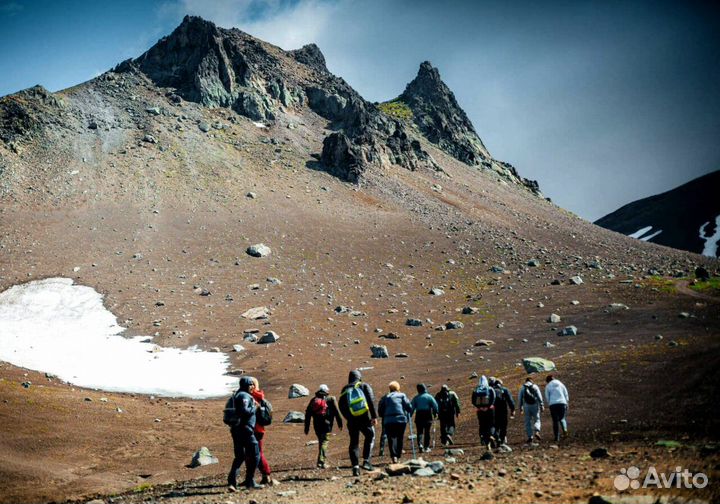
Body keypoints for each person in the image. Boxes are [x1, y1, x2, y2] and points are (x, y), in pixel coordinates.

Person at [227, 376, 263, 491]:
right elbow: (244, 411)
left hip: (236, 430)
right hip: (245, 430)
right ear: (246, 385)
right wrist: (254, 407)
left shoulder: (236, 395)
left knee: (240, 457)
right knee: (256, 454)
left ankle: (232, 482)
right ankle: (250, 480)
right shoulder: (244, 396)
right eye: (251, 384)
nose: (253, 387)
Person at [339, 369, 377, 476]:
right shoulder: (363, 386)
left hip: (351, 420)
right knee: (370, 435)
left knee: (354, 442)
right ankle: (366, 461)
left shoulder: (344, 389)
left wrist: (348, 418)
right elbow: (371, 400)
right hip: (364, 417)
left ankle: (355, 467)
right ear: (359, 377)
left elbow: (341, 405)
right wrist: (374, 416)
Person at [304, 384, 343, 468]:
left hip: (317, 425)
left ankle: (321, 461)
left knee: (321, 442)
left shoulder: (313, 400)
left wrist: (306, 427)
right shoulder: (331, 399)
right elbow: (337, 412)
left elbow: (308, 414)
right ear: (326, 391)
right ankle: (321, 461)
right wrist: (340, 423)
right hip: (327, 425)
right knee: (324, 442)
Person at [378, 381, 413, 463]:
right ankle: (398, 454)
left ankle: (394, 456)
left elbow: (380, 410)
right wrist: (408, 410)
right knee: (400, 437)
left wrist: (383, 415)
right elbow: (409, 406)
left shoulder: (385, 397)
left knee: (391, 437)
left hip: (389, 420)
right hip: (401, 419)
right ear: (398, 387)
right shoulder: (402, 395)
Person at [249, 377, 271, 484]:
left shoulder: (252, 397)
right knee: (256, 453)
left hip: (253, 429)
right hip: (260, 429)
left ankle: (266, 474)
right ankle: (260, 476)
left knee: (255, 453)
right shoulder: (260, 396)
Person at [411, 383, 439, 453]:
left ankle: (420, 445)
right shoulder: (429, 397)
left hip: (419, 415)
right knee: (427, 431)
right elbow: (435, 405)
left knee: (419, 431)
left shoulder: (416, 398)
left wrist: (410, 415)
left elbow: (411, 408)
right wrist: (435, 412)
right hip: (427, 415)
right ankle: (426, 447)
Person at [471, 375, 496, 450]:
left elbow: (473, 401)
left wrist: (479, 407)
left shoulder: (476, 390)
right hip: (490, 409)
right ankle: (491, 435)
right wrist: (489, 405)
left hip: (480, 410)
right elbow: (493, 398)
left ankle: (483, 437)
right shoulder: (490, 388)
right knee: (491, 423)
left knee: (482, 424)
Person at [518, 377, 544, 444]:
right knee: (537, 419)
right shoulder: (535, 386)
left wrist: (520, 407)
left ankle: (530, 437)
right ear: (531, 380)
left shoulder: (522, 387)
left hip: (526, 406)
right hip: (535, 405)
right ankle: (537, 431)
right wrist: (541, 405)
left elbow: (520, 398)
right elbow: (539, 396)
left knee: (528, 422)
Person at [489, 377, 515, 446]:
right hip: (503, 410)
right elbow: (510, 400)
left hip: (494, 411)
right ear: (501, 384)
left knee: (495, 426)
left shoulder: (491, 390)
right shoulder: (504, 390)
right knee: (503, 426)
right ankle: (502, 440)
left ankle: (496, 437)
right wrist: (512, 409)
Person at [544, 375, 569, 442]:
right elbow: (565, 393)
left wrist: (549, 403)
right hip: (562, 403)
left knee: (555, 421)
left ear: (548, 380)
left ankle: (556, 437)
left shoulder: (548, 386)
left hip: (553, 404)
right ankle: (565, 431)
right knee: (562, 418)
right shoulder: (561, 384)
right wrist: (566, 402)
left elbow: (547, 396)